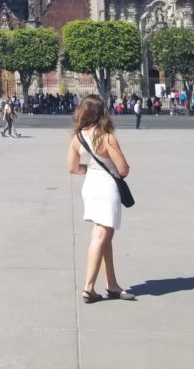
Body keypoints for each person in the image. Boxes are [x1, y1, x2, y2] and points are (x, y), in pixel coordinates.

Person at [67, 94, 136, 303]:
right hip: (107, 189)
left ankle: (112, 285)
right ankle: (89, 288)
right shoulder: (107, 137)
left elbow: (72, 167)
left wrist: (91, 169)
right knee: (100, 236)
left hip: (90, 188)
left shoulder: (77, 138)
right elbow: (123, 170)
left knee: (106, 238)